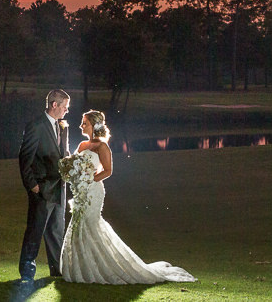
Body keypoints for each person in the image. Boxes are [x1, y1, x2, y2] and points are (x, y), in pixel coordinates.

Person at [61, 110, 197, 285]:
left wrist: (90, 179)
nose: (81, 125)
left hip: (93, 191)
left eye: (84, 122)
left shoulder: (102, 147)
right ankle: (80, 268)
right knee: (78, 223)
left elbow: (108, 171)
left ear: (94, 125)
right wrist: (74, 175)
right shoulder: (81, 145)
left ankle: (104, 268)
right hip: (80, 192)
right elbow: (75, 166)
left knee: (90, 223)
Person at [17, 88, 71, 282]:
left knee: (57, 230)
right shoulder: (36, 125)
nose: (66, 111)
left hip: (59, 188)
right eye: (64, 106)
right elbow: (25, 158)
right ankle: (26, 272)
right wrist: (32, 185)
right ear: (54, 105)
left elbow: (63, 153)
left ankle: (57, 271)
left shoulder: (62, 126)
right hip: (41, 189)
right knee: (35, 230)